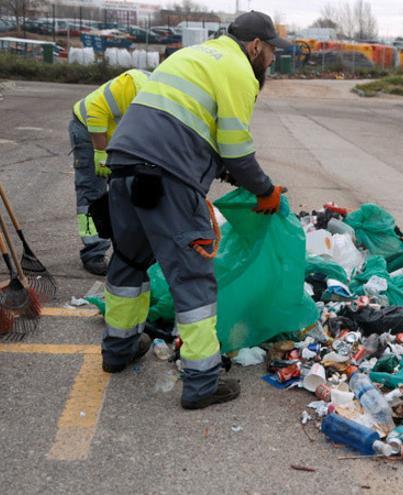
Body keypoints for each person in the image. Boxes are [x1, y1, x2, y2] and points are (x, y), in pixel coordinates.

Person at [100, 11, 291, 410]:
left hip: (123, 166)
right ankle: (202, 381)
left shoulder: (195, 56)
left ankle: (118, 349)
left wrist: (244, 180)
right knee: (193, 277)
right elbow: (237, 151)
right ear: (256, 46)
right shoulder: (239, 70)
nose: (273, 60)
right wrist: (265, 191)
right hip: (167, 176)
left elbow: (205, 141)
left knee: (130, 261)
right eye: (272, 52)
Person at [69, 69, 150, 275]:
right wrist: (99, 151)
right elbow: (94, 110)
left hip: (116, 138)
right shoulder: (130, 86)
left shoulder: (163, 98)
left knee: (122, 191)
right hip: (87, 130)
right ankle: (92, 251)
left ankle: (126, 249)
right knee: (90, 193)